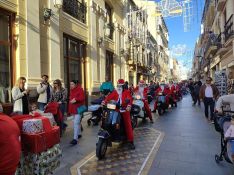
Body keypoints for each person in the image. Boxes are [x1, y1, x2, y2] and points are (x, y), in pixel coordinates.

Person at [102, 79, 135, 149]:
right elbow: (108, 98)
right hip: (115, 110)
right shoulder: (114, 92)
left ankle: (131, 141)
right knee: (107, 119)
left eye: (120, 86)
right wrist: (104, 102)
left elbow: (129, 99)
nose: (119, 87)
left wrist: (129, 106)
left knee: (127, 124)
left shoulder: (127, 92)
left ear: (123, 86)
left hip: (124, 110)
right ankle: (110, 134)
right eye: (118, 85)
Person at [68, 80, 85, 145]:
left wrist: (75, 100)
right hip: (73, 109)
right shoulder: (71, 90)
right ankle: (79, 133)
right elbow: (71, 99)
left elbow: (82, 98)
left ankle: (75, 139)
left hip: (79, 109)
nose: (71, 85)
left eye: (72, 84)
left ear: (75, 84)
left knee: (76, 123)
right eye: (70, 84)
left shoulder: (80, 89)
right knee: (77, 122)